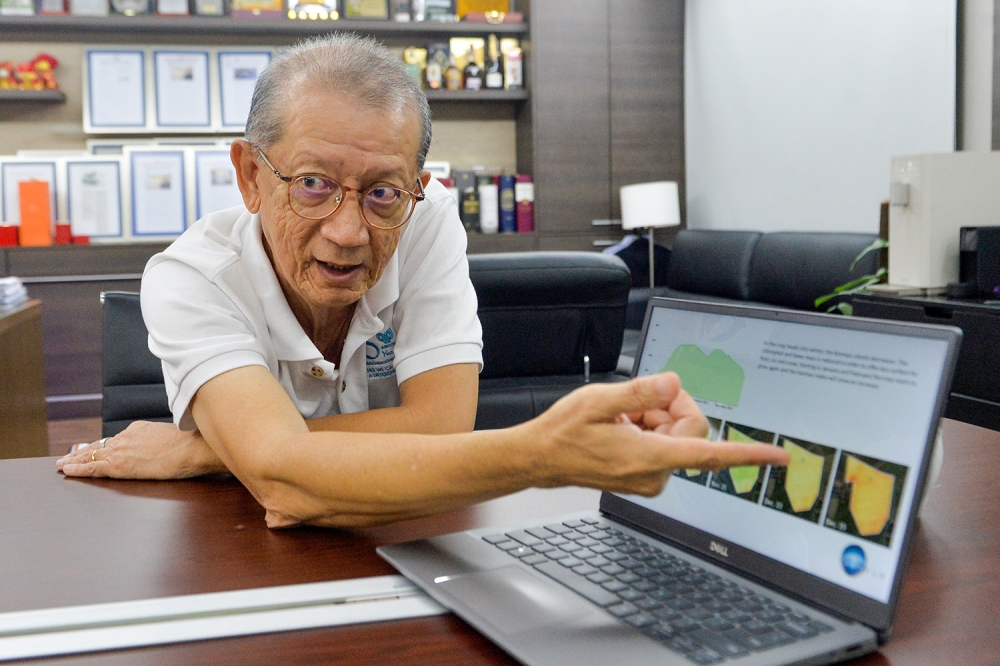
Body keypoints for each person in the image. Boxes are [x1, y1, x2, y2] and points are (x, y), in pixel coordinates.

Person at [57, 35, 788, 528]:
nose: (349, 231)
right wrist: (542, 453)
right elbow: (284, 486)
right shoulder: (189, 278)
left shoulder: (427, 219)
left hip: (413, 555)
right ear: (251, 176)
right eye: (312, 184)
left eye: (382, 192)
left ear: (418, 186)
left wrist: (216, 451)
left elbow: (441, 426)